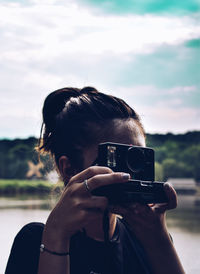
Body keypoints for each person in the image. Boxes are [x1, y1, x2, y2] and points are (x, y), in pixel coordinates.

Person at [5, 87, 185, 274]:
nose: (128, 172)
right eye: (116, 158)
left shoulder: (148, 241)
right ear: (69, 169)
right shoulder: (36, 241)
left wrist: (160, 241)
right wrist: (56, 236)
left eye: (137, 158)